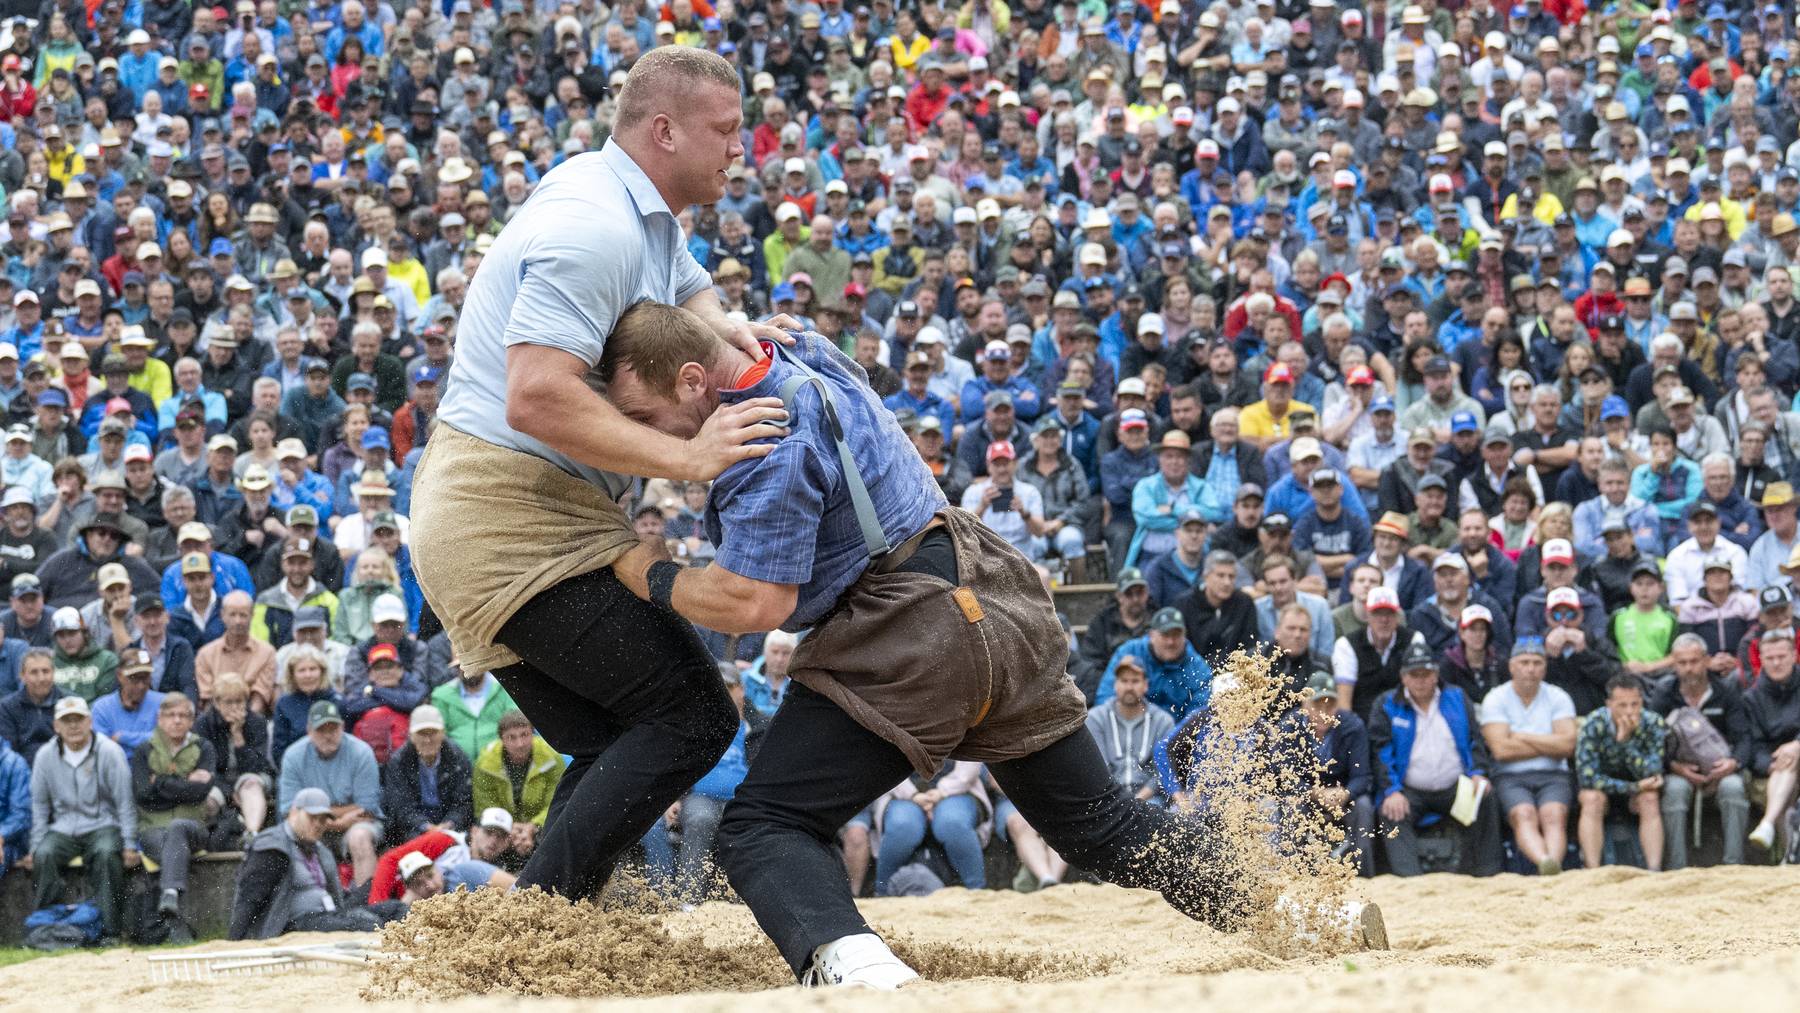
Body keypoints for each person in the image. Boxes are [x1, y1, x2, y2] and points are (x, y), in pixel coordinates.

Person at [598, 308, 1383, 987]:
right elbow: (727, 322)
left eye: (647, 416)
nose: (649, 440)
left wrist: (645, 568)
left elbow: (753, 603)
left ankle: (867, 976)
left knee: (763, 823)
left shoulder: (753, 444)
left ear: (697, 381)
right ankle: (1311, 915)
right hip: (996, 592)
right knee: (1101, 823)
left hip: (905, 635)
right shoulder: (797, 345)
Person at [410, 49, 797, 905]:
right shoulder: (597, 227)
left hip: (529, 511)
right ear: (665, 131)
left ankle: (549, 916)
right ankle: (532, 925)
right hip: (506, 517)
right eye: (727, 132)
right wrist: (688, 458)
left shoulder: (645, 217)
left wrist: (762, 355)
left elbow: (701, 309)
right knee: (693, 715)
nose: (742, 150)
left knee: (621, 731)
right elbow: (536, 394)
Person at [1370, 643, 1503, 877]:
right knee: (1390, 810)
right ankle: (1409, 879)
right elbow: (1381, 751)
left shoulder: (1456, 697)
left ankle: (1487, 873)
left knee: (1485, 795)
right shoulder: (1387, 704)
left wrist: (1478, 773)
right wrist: (1392, 789)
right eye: (1414, 674)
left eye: (1426, 673)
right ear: (1403, 677)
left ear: (1436, 674)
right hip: (1410, 789)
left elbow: (1475, 741)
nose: (1421, 680)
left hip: (1454, 786)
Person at [643, 666, 762, 904]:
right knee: (700, 819)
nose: (726, 692)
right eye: (722, 687)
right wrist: (672, 798)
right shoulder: (698, 722)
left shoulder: (757, 726)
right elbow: (677, 765)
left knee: (749, 826)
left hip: (742, 799)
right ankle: (690, 898)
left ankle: (747, 902)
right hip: (700, 796)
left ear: (741, 689)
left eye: (731, 686)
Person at [29, 696, 137, 942]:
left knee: (107, 852)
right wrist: (35, 846)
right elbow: (40, 806)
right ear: (56, 725)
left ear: (89, 721)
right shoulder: (45, 755)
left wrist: (130, 843)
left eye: (78, 719)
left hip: (103, 824)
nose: (73, 726)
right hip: (64, 827)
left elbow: (124, 801)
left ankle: (110, 932)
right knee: (44, 855)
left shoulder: (110, 752)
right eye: (66, 721)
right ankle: (45, 930)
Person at [131, 692, 236, 942]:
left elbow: (201, 792)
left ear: (192, 720)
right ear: (160, 718)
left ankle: (169, 903)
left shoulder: (203, 747)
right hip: (152, 828)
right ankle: (174, 915)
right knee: (170, 841)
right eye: (171, 715)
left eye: (183, 716)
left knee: (178, 828)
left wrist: (162, 783)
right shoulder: (145, 750)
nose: (177, 721)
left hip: (194, 828)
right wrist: (184, 783)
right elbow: (143, 793)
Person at [1650, 634, 1752, 870]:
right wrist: (1674, 767)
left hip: (1722, 768)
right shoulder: (1664, 695)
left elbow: (1744, 737)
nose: (1689, 669)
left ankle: (1733, 865)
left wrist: (1733, 763)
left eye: (1694, 661)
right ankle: (1677, 867)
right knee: (1674, 790)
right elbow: (1652, 741)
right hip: (1679, 769)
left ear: (1706, 660)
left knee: (1734, 788)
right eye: (1682, 663)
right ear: (1674, 664)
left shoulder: (1725, 693)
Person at [227, 787, 379, 939]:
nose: (318, 824)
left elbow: (337, 898)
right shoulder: (272, 847)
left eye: (322, 819)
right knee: (366, 927)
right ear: (294, 813)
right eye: (312, 817)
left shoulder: (320, 850)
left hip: (327, 916)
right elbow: (249, 899)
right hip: (292, 926)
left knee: (394, 911)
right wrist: (234, 941)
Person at [1481, 639, 1578, 876]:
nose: (1530, 668)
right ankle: (1545, 862)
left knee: (1553, 814)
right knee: (1523, 814)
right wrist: (1548, 742)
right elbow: (1501, 750)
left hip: (1554, 773)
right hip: (1510, 775)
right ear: (1512, 666)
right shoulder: (1496, 697)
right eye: (1524, 662)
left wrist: (1522, 736)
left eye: (1537, 662)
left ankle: (1551, 864)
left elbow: (1567, 745)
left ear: (1545, 667)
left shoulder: (1558, 696)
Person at [277, 699, 383, 886]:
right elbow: (289, 812)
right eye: (321, 730)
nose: (328, 735)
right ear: (309, 730)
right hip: (316, 826)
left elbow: (366, 808)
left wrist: (316, 815)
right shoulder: (293, 756)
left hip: (355, 825)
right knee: (296, 835)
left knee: (360, 837)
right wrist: (338, 822)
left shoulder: (361, 752)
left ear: (342, 727)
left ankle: (367, 904)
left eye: (333, 729)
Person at [1575, 674, 1668, 871]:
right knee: (1591, 799)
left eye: (1635, 704)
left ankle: (1654, 869)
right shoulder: (1594, 723)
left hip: (1639, 789)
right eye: (1622, 705)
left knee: (1650, 798)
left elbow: (1653, 771)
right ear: (1609, 704)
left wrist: (1626, 743)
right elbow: (1587, 777)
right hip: (1604, 788)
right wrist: (1631, 787)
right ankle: (1591, 870)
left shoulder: (1653, 723)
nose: (1629, 711)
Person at [1300, 671, 1375, 877]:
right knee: (1290, 805)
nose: (1324, 711)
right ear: (1305, 705)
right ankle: (1292, 873)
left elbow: (1363, 776)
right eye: (1317, 705)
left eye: (1330, 705)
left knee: (1364, 806)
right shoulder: (1290, 727)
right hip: (1306, 794)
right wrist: (1314, 793)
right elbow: (1283, 777)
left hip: (1343, 794)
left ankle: (1362, 873)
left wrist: (1346, 793)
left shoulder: (1353, 725)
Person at [472, 709, 564, 861]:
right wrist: (511, 829)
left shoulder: (551, 759)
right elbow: (485, 806)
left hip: (542, 826)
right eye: (511, 737)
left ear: (533, 733)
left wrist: (533, 827)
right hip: (500, 827)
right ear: (502, 739)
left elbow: (557, 802)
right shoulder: (486, 763)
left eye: (524, 735)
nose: (520, 743)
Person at [1084, 656, 1175, 805]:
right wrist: (1118, 804)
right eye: (1124, 681)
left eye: (1135, 681)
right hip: (1107, 798)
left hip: (1150, 800)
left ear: (1145, 685)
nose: (1129, 687)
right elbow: (1097, 769)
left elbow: (1163, 771)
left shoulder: (1162, 720)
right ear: (1115, 685)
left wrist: (1137, 801)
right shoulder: (1096, 718)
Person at [381, 704, 474, 847]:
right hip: (414, 826)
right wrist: (426, 826)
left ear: (443, 733)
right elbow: (401, 806)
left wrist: (448, 825)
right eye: (421, 733)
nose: (427, 740)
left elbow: (463, 802)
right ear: (411, 736)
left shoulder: (458, 757)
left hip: (450, 824)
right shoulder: (398, 761)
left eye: (433, 733)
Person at [1745, 629, 1800, 855]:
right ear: (1762, 660)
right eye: (1770, 658)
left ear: (1794, 655)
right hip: (1778, 767)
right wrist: (1769, 763)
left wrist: (1798, 744)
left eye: (1782, 656)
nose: (1776, 663)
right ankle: (1788, 856)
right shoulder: (1752, 697)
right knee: (1787, 767)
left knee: (1791, 757)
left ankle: (1768, 824)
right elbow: (1752, 743)